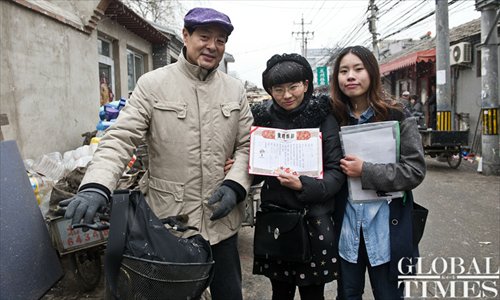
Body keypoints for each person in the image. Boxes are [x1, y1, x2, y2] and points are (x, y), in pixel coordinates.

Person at [60, 7, 254, 300]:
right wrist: (96, 185)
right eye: (204, 36)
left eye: (221, 40)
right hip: (170, 223)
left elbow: (247, 146)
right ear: (186, 36)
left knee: (229, 294)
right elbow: (121, 138)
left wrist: (235, 185)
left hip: (221, 220)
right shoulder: (153, 84)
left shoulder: (234, 91)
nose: (212, 46)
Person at [330, 46, 426, 299]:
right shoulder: (333, 118)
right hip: (349, 230)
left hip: (386, 229)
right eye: (344, 71)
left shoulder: (397, 114)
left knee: (389, 294)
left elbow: (414, 170)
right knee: (348, 294)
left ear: (371, 72)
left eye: (358, 69)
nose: (350, 76)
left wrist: (366, 171)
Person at [250, 53, 345, 300]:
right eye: (278, 89)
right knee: (279, 293)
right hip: (277, 220)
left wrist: (304, 185)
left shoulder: (323, 117)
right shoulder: (262, 120)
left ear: (306, 84)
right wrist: (244, 167)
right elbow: (256, 174)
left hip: (313, 220)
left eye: (293, 87)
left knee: (313, 294)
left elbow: (336, 172)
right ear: (270, 90)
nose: (287, 95)